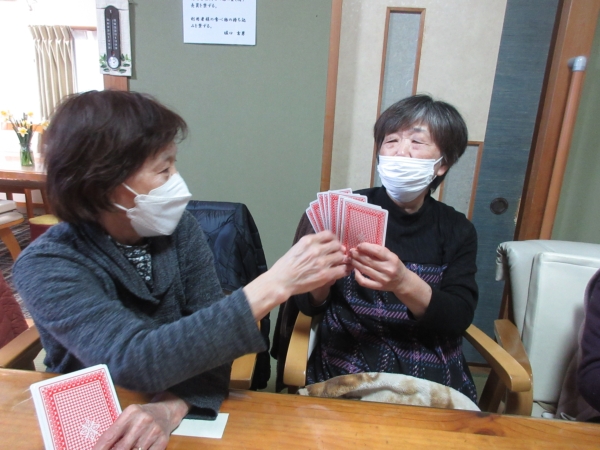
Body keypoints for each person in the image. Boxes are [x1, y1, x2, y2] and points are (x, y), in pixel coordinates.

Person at [12, 90, 349, 450]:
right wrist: (273, 285)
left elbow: (212, 338)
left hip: (178, 415)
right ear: (102, 184)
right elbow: (134, 358)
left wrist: (171, 407)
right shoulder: (47, 264)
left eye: (174, 164)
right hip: (93, 424)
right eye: (164, 169)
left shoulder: (179, 230)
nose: (177, 181)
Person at [278, 94, 478, 402]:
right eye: (391, 141)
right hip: (348, 363)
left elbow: (457, 318)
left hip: (429, 370)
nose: (400, 151)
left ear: (442, 164)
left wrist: (403, 282)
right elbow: (306, 305)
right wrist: (321, 280)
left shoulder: (457, 229)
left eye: (417, 142)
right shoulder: (340, 211)